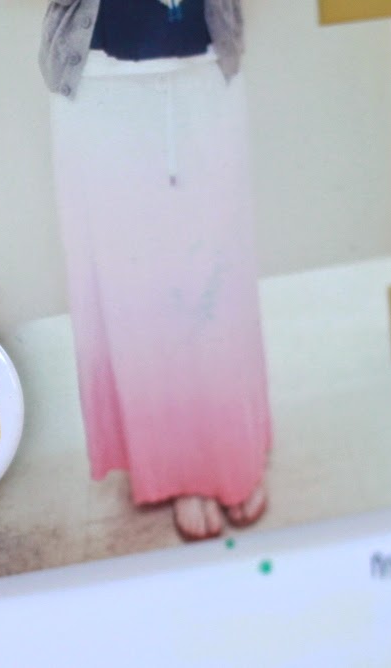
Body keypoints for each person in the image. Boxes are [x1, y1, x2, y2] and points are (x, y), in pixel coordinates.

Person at [40, 0, 270, 539]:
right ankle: (177, 467)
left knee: (216, 277)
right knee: (134, 287)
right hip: (102, 81)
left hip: (203, 68)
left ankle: (231, 453)